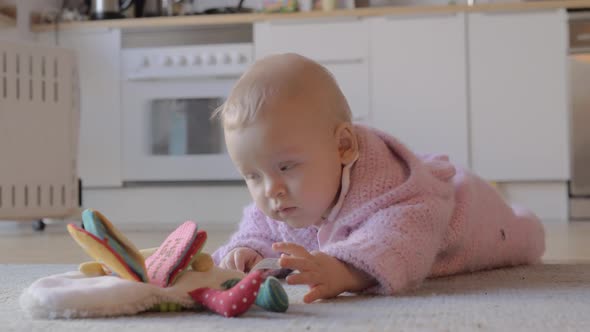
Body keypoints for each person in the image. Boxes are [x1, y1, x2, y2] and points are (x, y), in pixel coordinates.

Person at [211, 53, 545, 303]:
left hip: (467, 211)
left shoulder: (395, 194)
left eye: (286, 167)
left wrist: (344, 269)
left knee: (520, 235)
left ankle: (523, 219)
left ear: (342, 146)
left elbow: (398, 240)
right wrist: (246, 251)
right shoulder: (284, 196)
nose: (272, 190)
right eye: (253, 175)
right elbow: (258, 228)